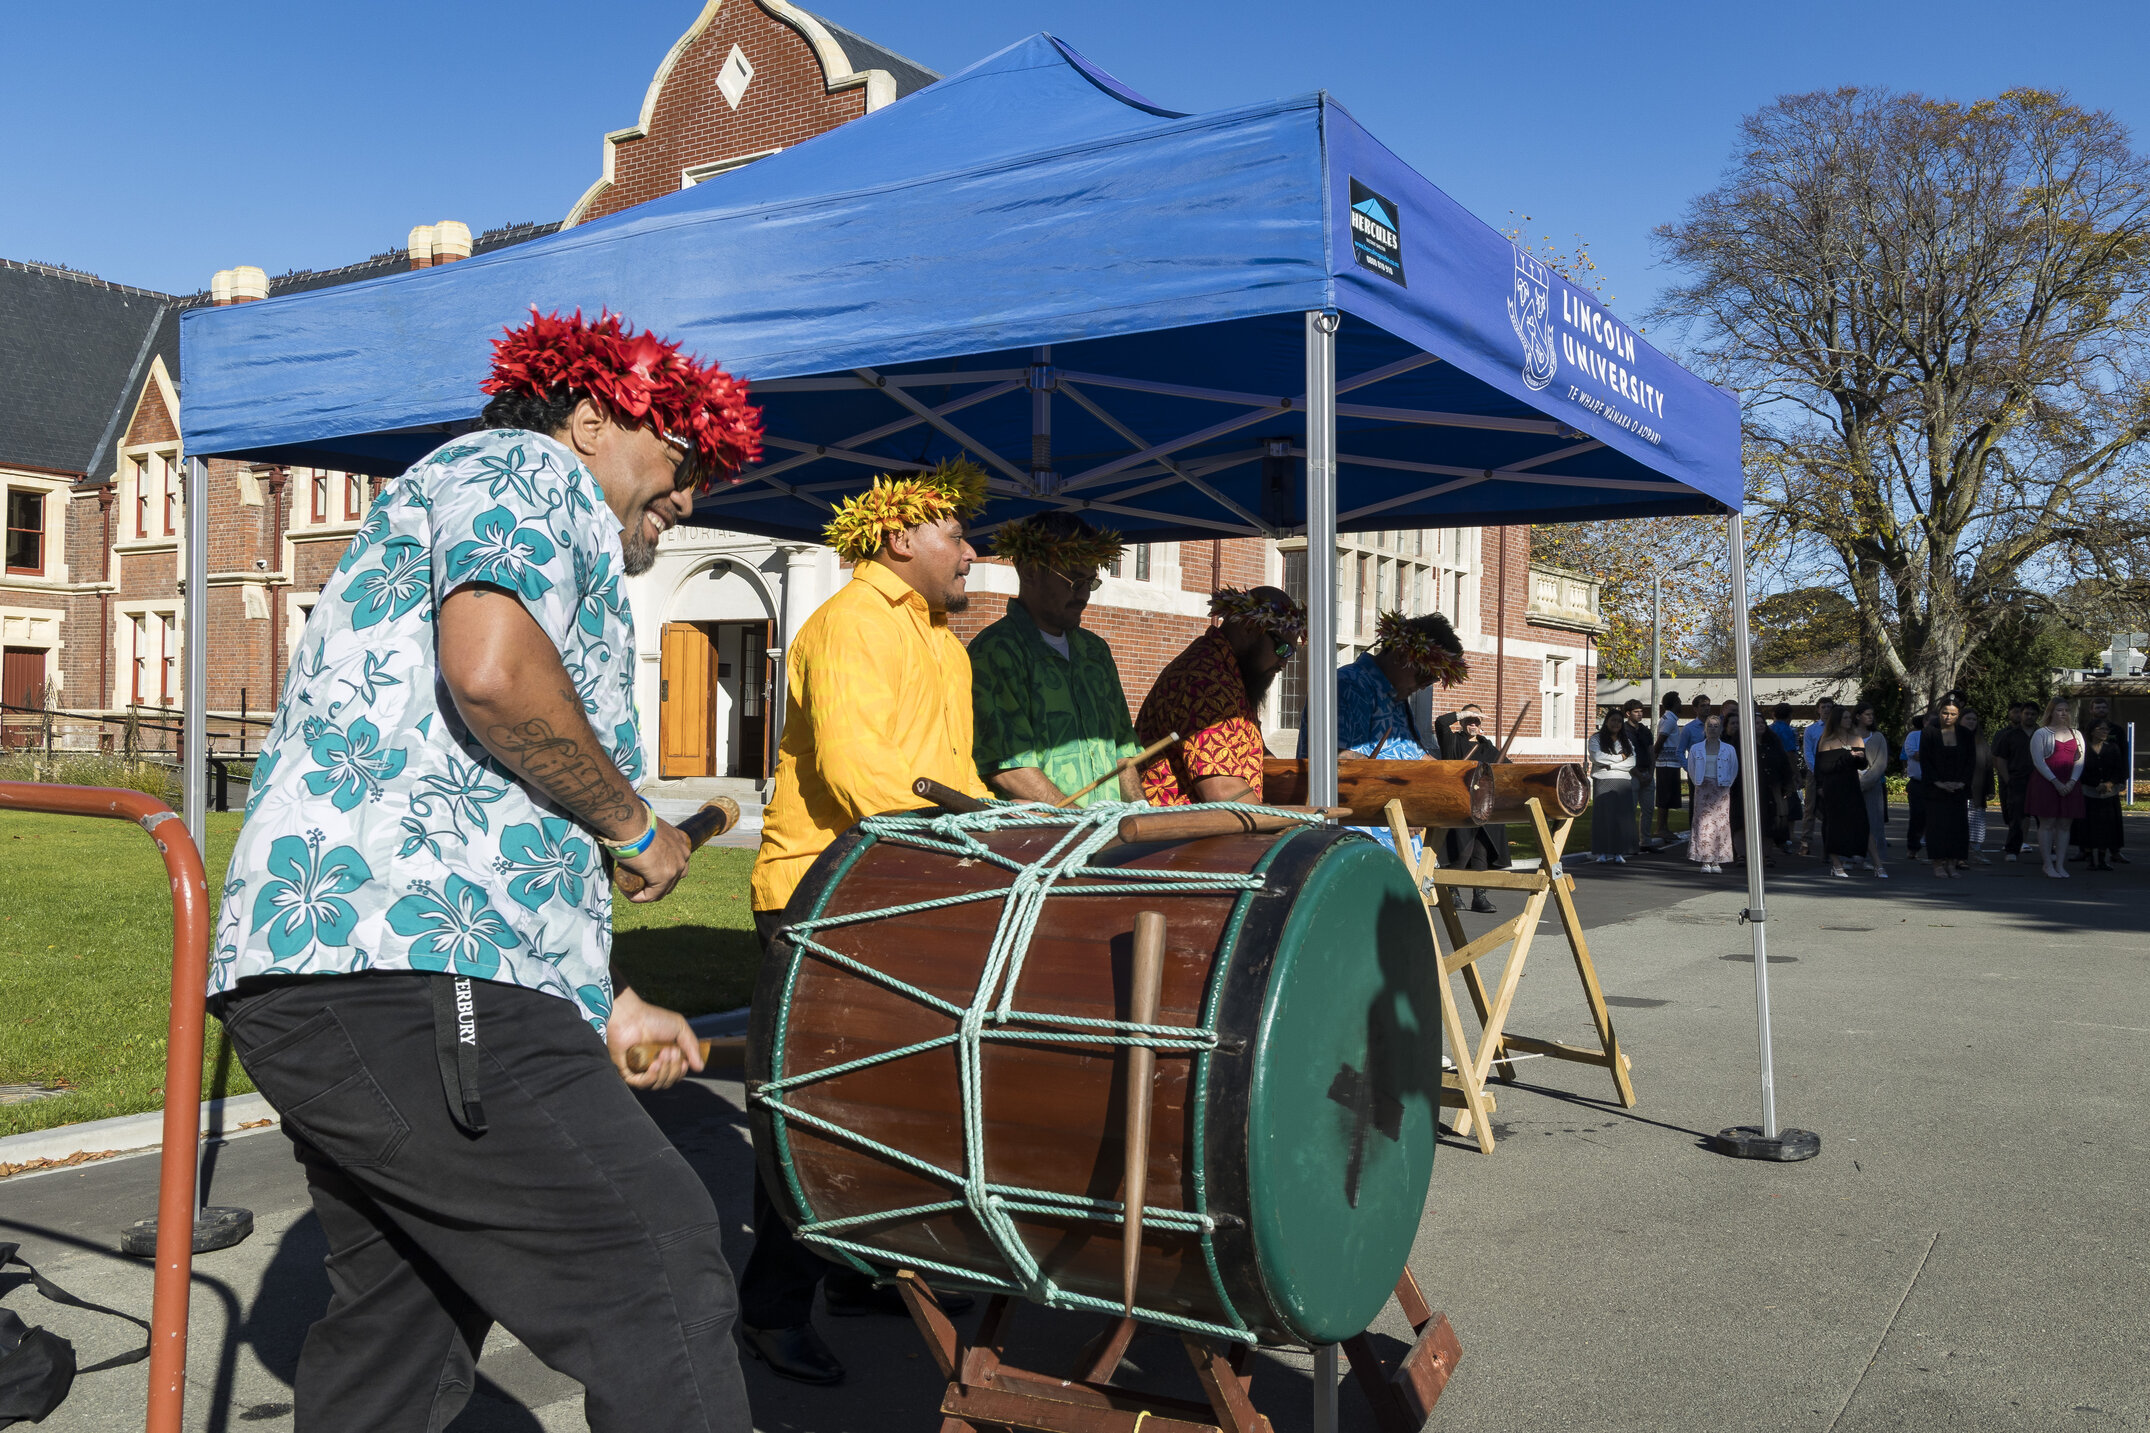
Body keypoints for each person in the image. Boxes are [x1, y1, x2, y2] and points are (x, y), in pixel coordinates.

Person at [205, 310, 764, 1432]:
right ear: (593, 414)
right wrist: (632, 827)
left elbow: (482, 803)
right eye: (683, 457)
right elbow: (496, 676)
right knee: (653, 1259)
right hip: (405, 961)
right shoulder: (525, 466)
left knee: (400, 1333)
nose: (693, 493)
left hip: (373, 968)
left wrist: (601, 996)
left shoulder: (488, 493)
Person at [744, 459, 993, 1383]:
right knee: (807, 1116)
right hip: (819, 898)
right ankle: (767, 1310)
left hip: (900, 891)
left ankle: (858, 1273)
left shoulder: (948, 644)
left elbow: (948, 775)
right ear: (899, 537)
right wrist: (967, 831)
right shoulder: (848, 625)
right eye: (955, 534)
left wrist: (1004, 824)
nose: (970, 551)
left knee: (893, 1105)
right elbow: (862, 778)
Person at [969, 513, 1142, 806]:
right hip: (1040, 842)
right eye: (1075, 581)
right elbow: (1010, 769)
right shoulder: (996, 651)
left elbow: (1123, 747)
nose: (1085, 595)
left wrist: (1139, 807)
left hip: (1108, 834)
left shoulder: (1096, 651)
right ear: (1029, 572)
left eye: (1091, 582)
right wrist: (1079, 821)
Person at [1306, 608, 1470, 860]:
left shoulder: (1395, 697)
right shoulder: (1349, 686)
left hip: (1396, 852)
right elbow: (1342, 766)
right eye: (1424, 675)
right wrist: (1405, 802)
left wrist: (1462, 779)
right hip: (1354, 853)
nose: (1424, 685)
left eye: (1432, 679)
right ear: (1402, 654)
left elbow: (1416, 760)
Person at [1137, 586, 1303, 805]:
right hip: (1179, 835)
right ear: (1249, 629)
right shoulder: (1205, 681)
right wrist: (1287, 823)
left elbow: (1251, 753)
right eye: (1283, 649)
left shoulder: (1231, 674)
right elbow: (1223, 792)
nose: (1284, 662)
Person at [1434, 703, 1513, 912]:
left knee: (1482, 851)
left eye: (1477, 720)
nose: (1473, 723)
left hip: (1484, 806)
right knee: (1462, 852)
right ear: (1461, 722)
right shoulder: (1452, 742)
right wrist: (1466, 712)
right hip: (1460, 804)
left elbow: (1507, 768)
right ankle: (1452, 892)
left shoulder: (1486, 746)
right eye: (1469, 719)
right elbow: (1441, 723)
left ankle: (1480, 896)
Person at [2026, 696, 2086, 880]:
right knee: (2047, 823)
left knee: (2064, 825)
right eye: (2060, 710)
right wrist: (2056, 782)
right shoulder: (2041, 733)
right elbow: (2039, 761)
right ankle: (2047, 864)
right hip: (2046, 783)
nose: (2064, 713)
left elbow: (2079, 760)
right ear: (2051, 712)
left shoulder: (2076, 734)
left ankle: (2060, 863)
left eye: (2066, 710)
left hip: (2069, 784)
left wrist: (2071, 782)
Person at [1811, 704, 1871, 878]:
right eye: (1844, 717)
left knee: (1859, 821)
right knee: (1834, 825)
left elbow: (1862, 764)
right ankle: (1836, 864)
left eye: (1848, 717)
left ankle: (1855, 854)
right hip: (1833, 786)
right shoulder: (1827, 740)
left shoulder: (1856, 738)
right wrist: (1847, 757)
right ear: (1837, 720)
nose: (1848, 720)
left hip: (1851, 784)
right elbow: (1824, 767)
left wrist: (1859, 759)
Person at [1921, 698, 1975, 879]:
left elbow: (1970, 761)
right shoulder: (1929, 732)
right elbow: (1926, 761)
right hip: (1936, 789)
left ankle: (1952, 863)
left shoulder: (1966, 734)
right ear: (1939, 712)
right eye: (1945, 712)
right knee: (1937, 827)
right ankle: (1938, 864)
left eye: (1953, 714)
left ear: (1958, 715)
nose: (1948, 717)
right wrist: (1938, 783)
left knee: (1957, 827)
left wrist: (1961, 782)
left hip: (1958, 789)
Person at [1684, 711, 1736, 873]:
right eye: (1710, 726)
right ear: (1704, 729)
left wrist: (1726, 784)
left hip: (1721, 789)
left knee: (1721, 824)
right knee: (1703, 823)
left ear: (1721, 729)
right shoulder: (1696, 748)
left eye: (1716, 726)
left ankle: (1717, 860)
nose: (1713, 729)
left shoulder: (1728, 749)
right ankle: (1705, 859)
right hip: (1703, 787)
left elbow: (1734, 768)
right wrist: (1699, 782)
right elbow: (1691, 768)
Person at [1587, 707, 1638, 863]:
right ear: (1606, 722)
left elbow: (1632, 762)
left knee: (1621, 818)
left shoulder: (1626, 742)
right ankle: (1602, 852)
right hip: (1603, 780)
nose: (1616, 724)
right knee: (1603, 817)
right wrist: (1619, 759)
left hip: (1623, 782)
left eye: (1618, 721)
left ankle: (1618, 852)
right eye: (1613, 720)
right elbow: (1597, 757)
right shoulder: (1596, 739)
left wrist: (1610, 765)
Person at [2077, 718, 2128, 870]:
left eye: (2106, 729)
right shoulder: (2083, 750)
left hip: (2108, 793)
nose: (2104, 732)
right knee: (2089, 826)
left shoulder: (2112, 748)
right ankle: (2090, 858)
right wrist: (2095, 784)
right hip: (2089, 792)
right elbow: (2080, 770)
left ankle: (2102, 858)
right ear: (2092, 731)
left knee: (2107, 827)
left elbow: (2118, 769)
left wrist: (2109, 783)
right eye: (2101, 729)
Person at [1990, 702, 2036, 861]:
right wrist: (2008, 779)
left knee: (2043, 818)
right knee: (2016, 817)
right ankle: (2012, 850)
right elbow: (1999, 758)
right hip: (2017, 780)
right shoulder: (2009, 735)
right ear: (2021, 715)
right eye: (2026, 713)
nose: (2029, 716)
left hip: (2040, 781)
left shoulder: (2042, 733)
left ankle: (2048, 849)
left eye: (2032, 714)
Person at [1796, 697, 1837, 853]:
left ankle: (1833, 841)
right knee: (1810, 807)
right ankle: (1806, 842)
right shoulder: (1811, 729)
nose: (1826, 709)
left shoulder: (1837, 728)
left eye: (1829, 706)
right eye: (1823, 707)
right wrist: (1817, 771)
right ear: (1818, 709)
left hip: (1833, 771)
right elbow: (1807, 752)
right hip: (1815, 772)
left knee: (1832, 807)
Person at [1855, 703, 1891, 878]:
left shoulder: (1878, 737)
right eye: (1867, 714)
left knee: (1874, 822)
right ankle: (1852, 856)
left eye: (1872, 714)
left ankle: (1874, 858)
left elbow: (1880, 763)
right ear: (1858, 716)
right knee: (1852, 820)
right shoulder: (1848, 735)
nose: (1870, 717)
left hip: (1872, 784)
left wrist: (1866, 780)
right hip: (1851, 784)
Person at [1960, 707, 1994, 864]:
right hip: (1958, 789)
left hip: (1977, 789)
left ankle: (1975, 851)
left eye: (1974, 719)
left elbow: (1988, 767)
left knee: (1976, 822)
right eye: (1968, 719)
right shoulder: (1953, 738)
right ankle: (1958, 854)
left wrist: (1990, 789)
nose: (1971, 722)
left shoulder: (1981, 742)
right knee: (1959, 822)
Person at [1652, 690, 1685, 842]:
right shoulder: (1669, 720)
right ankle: (1660, 828)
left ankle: (1664, 827)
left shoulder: (1670, 718)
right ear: (1673, 703)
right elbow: (1660, 740)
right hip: (1666, 763)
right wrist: (1654, 758)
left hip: (1671, 763)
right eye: (1679, 701)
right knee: (1664, 797)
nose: (1681, 704)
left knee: (1668, 796)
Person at [1622, 699, 1657, 845]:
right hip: (1631, 774)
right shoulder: (1623, 731)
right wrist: (1637, 774)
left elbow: (1651, 752)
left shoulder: (1645, 731)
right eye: (1636, 712)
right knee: (1630, 810)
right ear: (1628, 713)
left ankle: (1646, 841)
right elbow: (1624, 755)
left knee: (1648, 809)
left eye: (1641, 711)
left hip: (1647, 772)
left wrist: (1650, 772)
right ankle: (1628, 841)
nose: (1639, 714)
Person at [1901, 709, 1928, 860]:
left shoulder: (1942, 737)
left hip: (1935, 782)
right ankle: (1913, 847)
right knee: (1917, 816)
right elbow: (1914, 754)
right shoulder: (1914, 736)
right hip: (1918, 781)